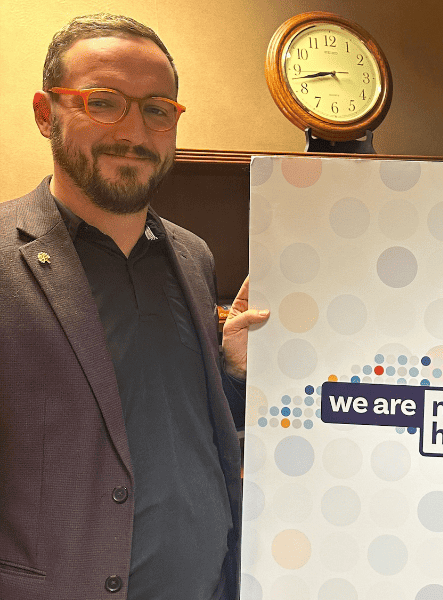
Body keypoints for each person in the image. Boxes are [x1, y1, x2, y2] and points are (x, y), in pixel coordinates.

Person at [0, 14, 267, 600]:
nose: (134, 130)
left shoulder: (194, 258)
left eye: (156, 108)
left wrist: (234, 371)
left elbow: (169, 423)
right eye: (103, 102)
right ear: (46, 113)